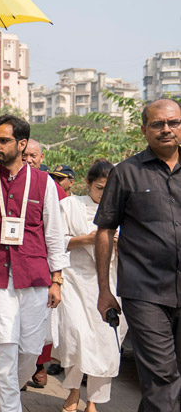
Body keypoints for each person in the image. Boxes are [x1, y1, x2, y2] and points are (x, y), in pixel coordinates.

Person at [0, 114, 69, 412]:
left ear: (21, 144)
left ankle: (13, 393)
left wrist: (57, 280)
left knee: (30, 350)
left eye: (3, 140)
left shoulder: (43, 182)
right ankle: (11, 408)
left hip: (35, 275)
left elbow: (55, 235)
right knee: (5, 348)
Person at [94, 98, 181, 412]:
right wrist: (104, 290)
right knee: (162, 378)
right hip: (144, 291)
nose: (166, 129)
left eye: (173, 123)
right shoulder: (126, 173)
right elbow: (105, 230)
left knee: (169, 383)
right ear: (145, 129)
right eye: (158, 124)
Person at [53, 159, 126, 412]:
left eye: (109, 190)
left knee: (105, 343)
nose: (104, 194)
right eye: (99, 188)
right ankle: (73, 392)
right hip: (75, 280)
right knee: (76, 337)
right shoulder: (69, 205)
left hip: (111, 283)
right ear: (87, 183)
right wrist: (87, 239)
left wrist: (118, 244)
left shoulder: (124, 210)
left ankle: (93, 400)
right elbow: (54, 241)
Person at [21, 137, 65, 384]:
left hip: (43, 264)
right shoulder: (8, 182)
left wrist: (57, 275)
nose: (28, 160)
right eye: (24, 155)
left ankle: (38, 365)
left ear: (41, 158)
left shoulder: (50, 186)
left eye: (33, 156)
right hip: (13, 263)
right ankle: (15, 375)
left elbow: (61, 229)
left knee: (40, 321)